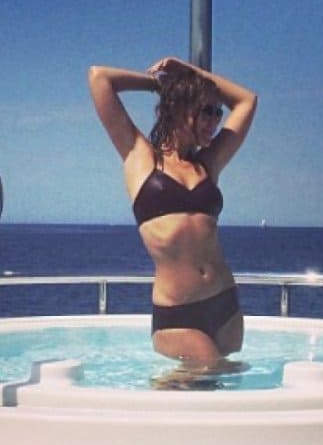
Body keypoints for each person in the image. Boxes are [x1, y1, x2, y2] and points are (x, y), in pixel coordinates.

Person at [87, 56, 257, 367]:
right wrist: (160, 85)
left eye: (218, 112)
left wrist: (190, 72)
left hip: (225, 304)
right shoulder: (140, 157)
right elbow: (100, 78)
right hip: (179, 312)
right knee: (207, 372)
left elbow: (247, 100)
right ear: (179, 108)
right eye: (206, 111)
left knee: (228, 385)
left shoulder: (208, 163)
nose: (215, 121)